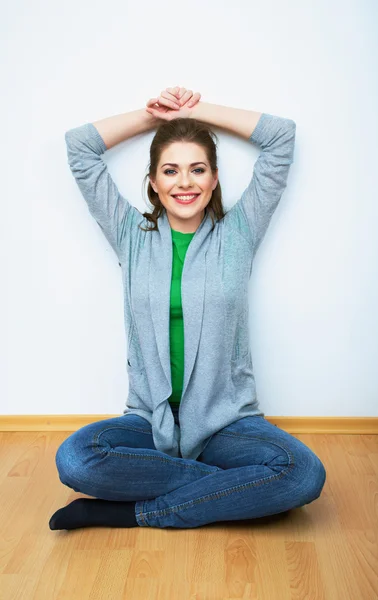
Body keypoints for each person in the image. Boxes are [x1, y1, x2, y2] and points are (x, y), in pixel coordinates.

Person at [49, 86, 326, 530]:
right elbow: (79, 146)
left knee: (304, 474)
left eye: (198, 169)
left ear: (214, 179)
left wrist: (198, 112)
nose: (185, 182)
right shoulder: (130, 236)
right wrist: (153, 117)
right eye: (171, 171)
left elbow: (281, 137)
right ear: (154, 184)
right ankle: (238, 488)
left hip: (227, 425)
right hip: (148, 423)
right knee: (76, 461)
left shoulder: (238, 234)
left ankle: (138, 514)